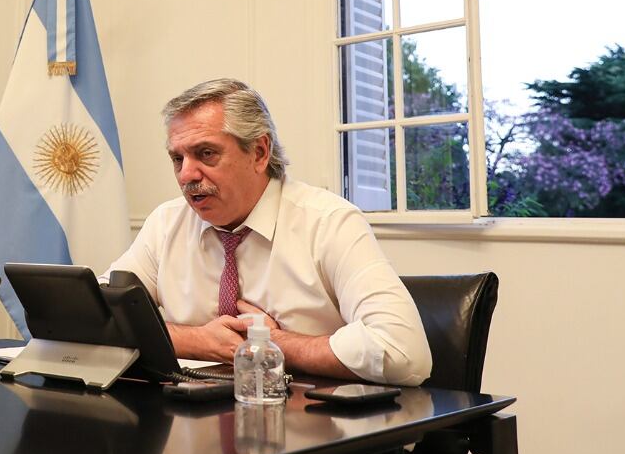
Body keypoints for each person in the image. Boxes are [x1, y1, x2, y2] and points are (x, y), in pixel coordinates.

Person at [102, 78, 430, 386]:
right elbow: (95, 316)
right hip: (193, 421)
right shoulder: (166, 223)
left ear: (259, 153)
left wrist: (273, 344)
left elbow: (403, 352)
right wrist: (198, 341)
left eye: (205, 154)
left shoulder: (328, 222)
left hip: (311, 425)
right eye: (177, 158)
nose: (187, 174)